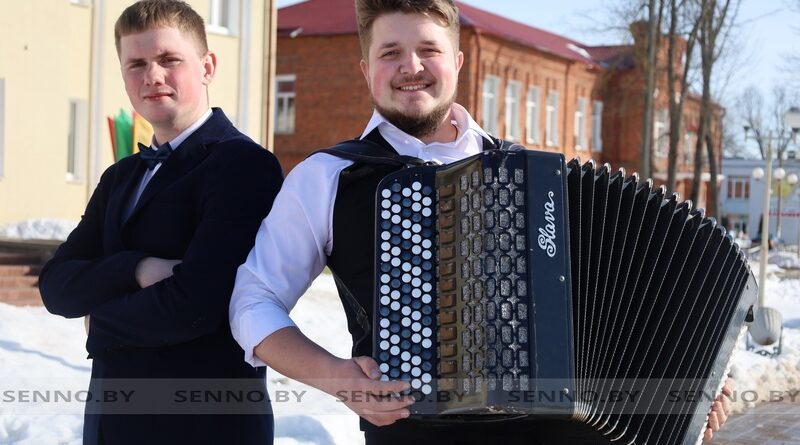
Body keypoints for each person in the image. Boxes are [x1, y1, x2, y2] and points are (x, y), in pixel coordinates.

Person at [229, 0, 731, 443]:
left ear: (457, 61)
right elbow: (253, 301)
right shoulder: (328, 177)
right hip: (416, 435)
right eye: (390, 53)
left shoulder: (536, 178)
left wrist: (696, 384)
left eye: (429, 49)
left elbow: (634, 294)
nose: (411, 66)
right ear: (366, 69)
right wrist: (339, 379)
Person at [39, 1, 282, 444]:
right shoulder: (120, 176)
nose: (152, 75)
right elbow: (55, 286)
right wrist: (137, 269)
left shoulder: (243, 165)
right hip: (111, 426)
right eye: (136, 64)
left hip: (204, 427)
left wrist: (99, 318)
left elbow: (198, 307)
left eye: (169, 59)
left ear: (207, 67)